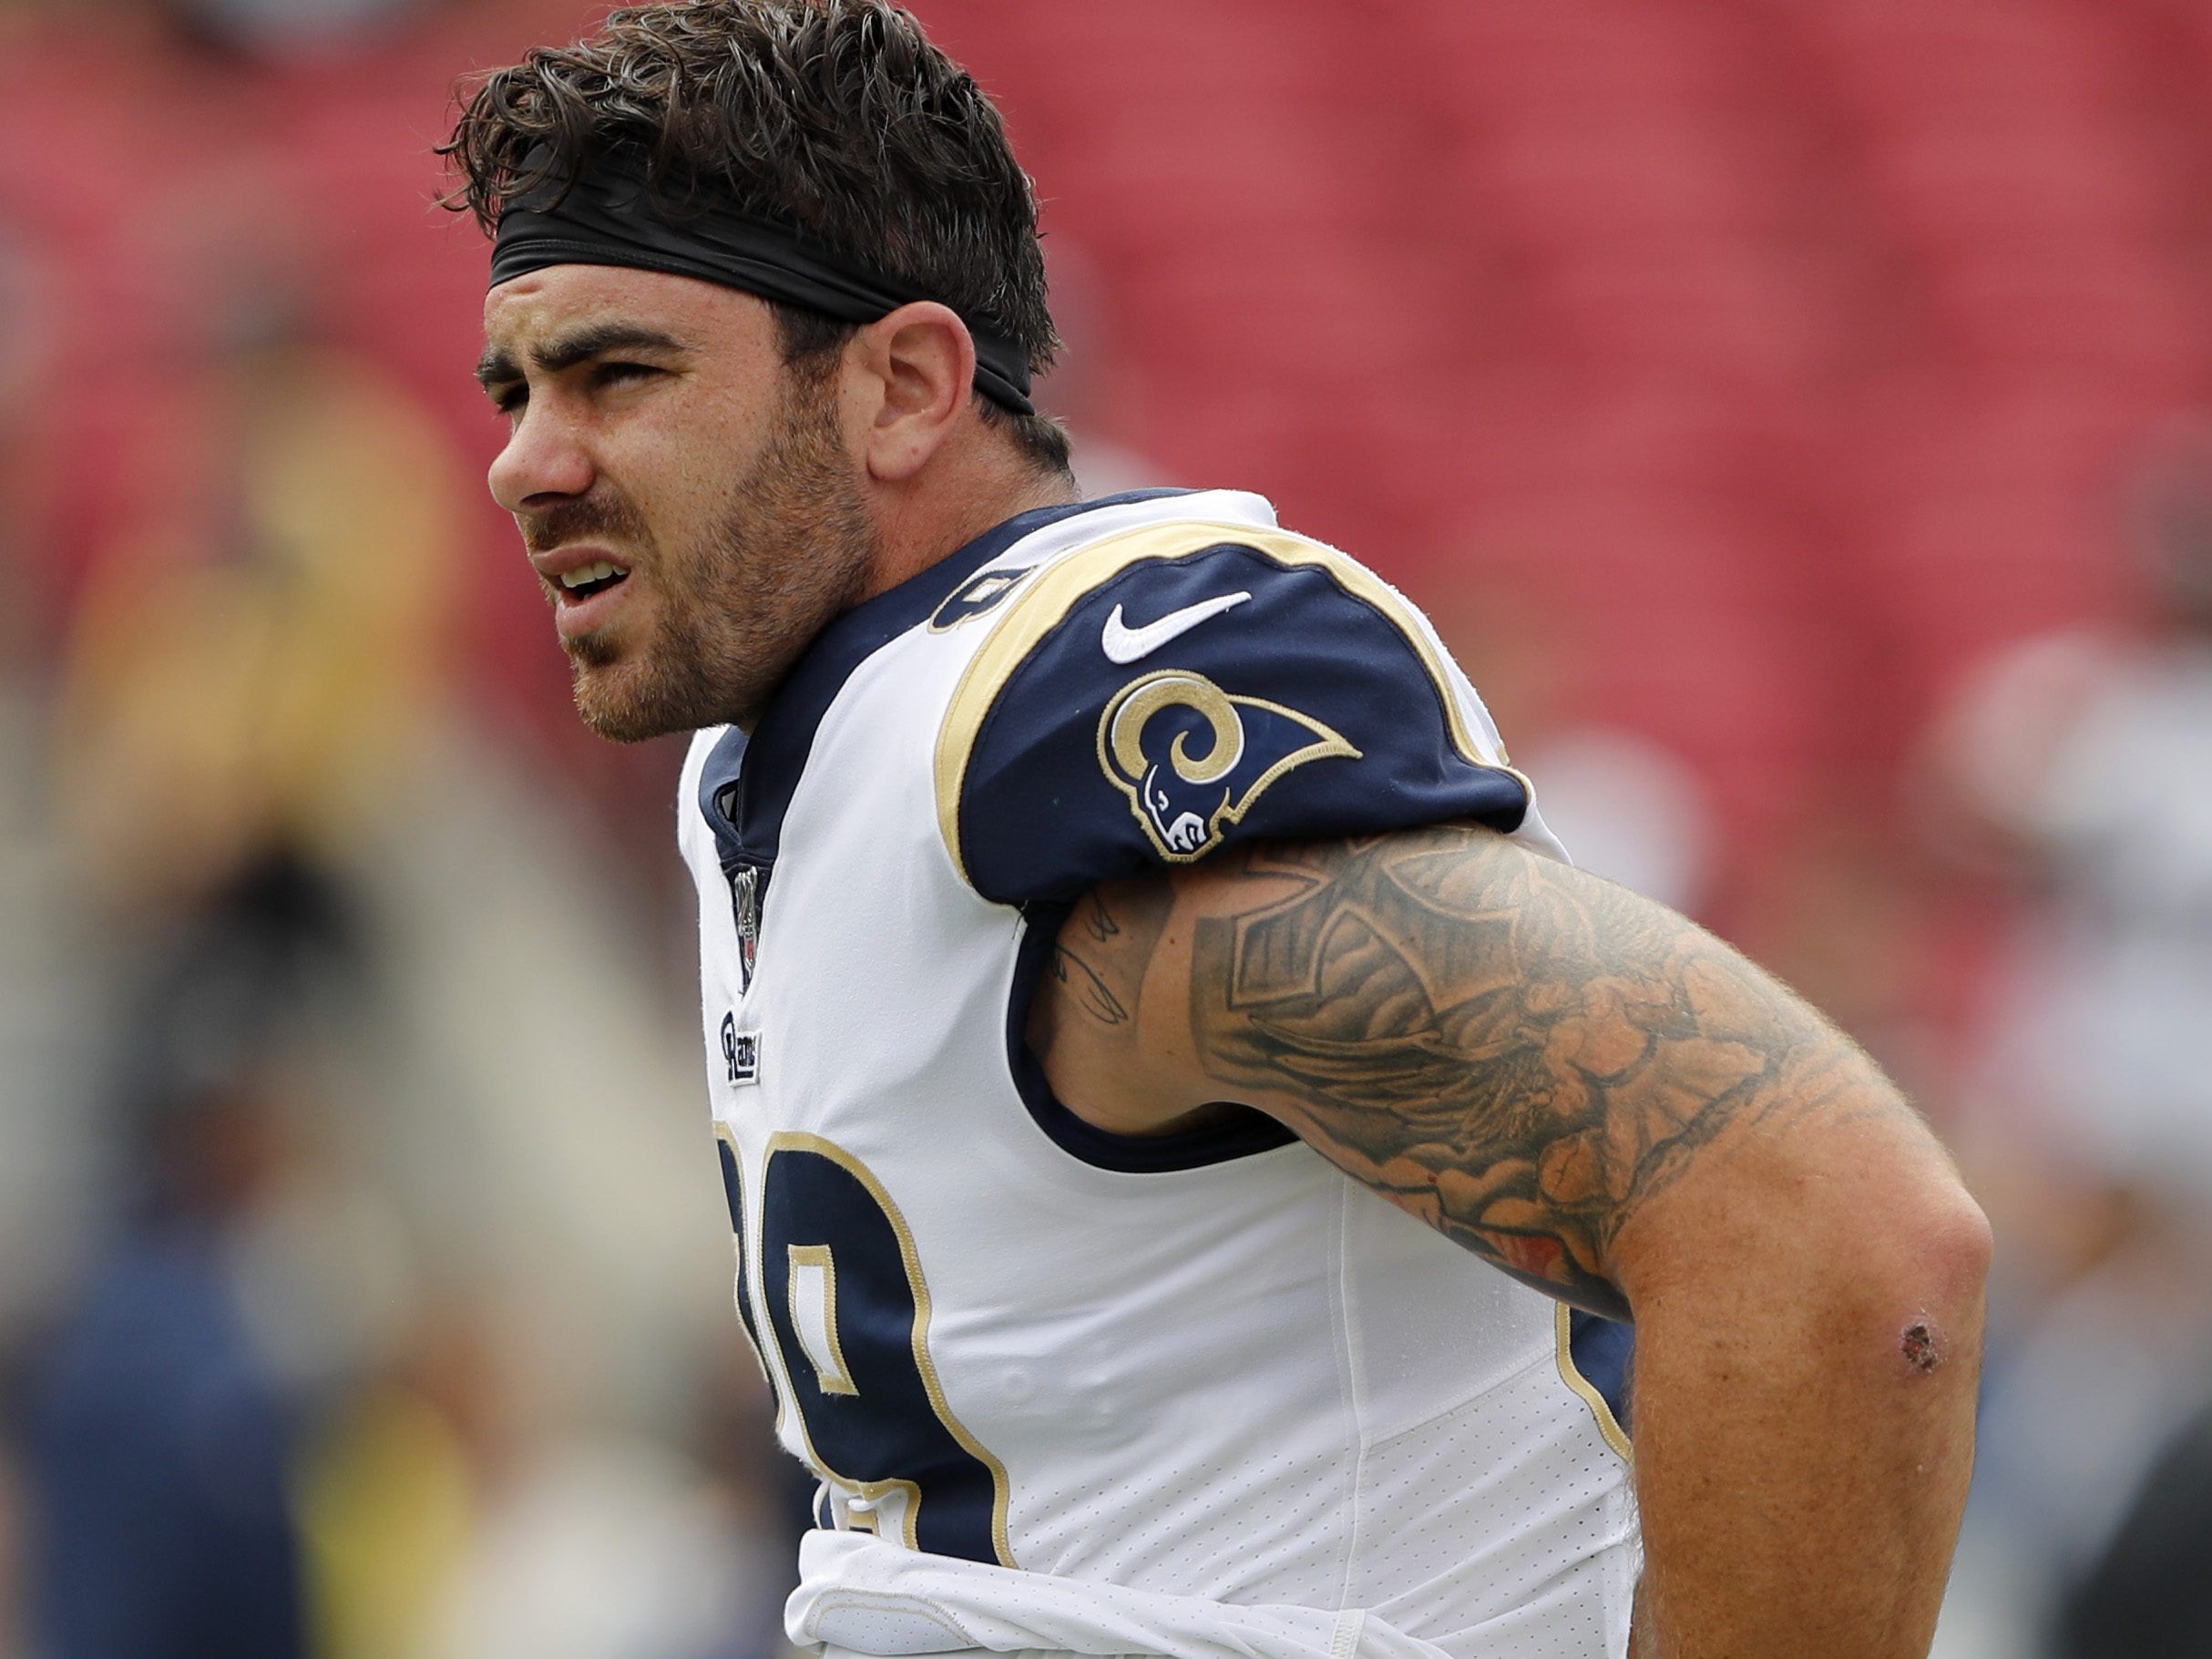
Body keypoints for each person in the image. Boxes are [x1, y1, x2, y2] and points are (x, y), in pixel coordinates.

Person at [442, 6, 1990, 1656]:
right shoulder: (772, 754)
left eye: (619, 372)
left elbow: (1839, 1243)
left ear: (901, 386)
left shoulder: (1060, 717)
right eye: (513, 388)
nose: (525, 462)